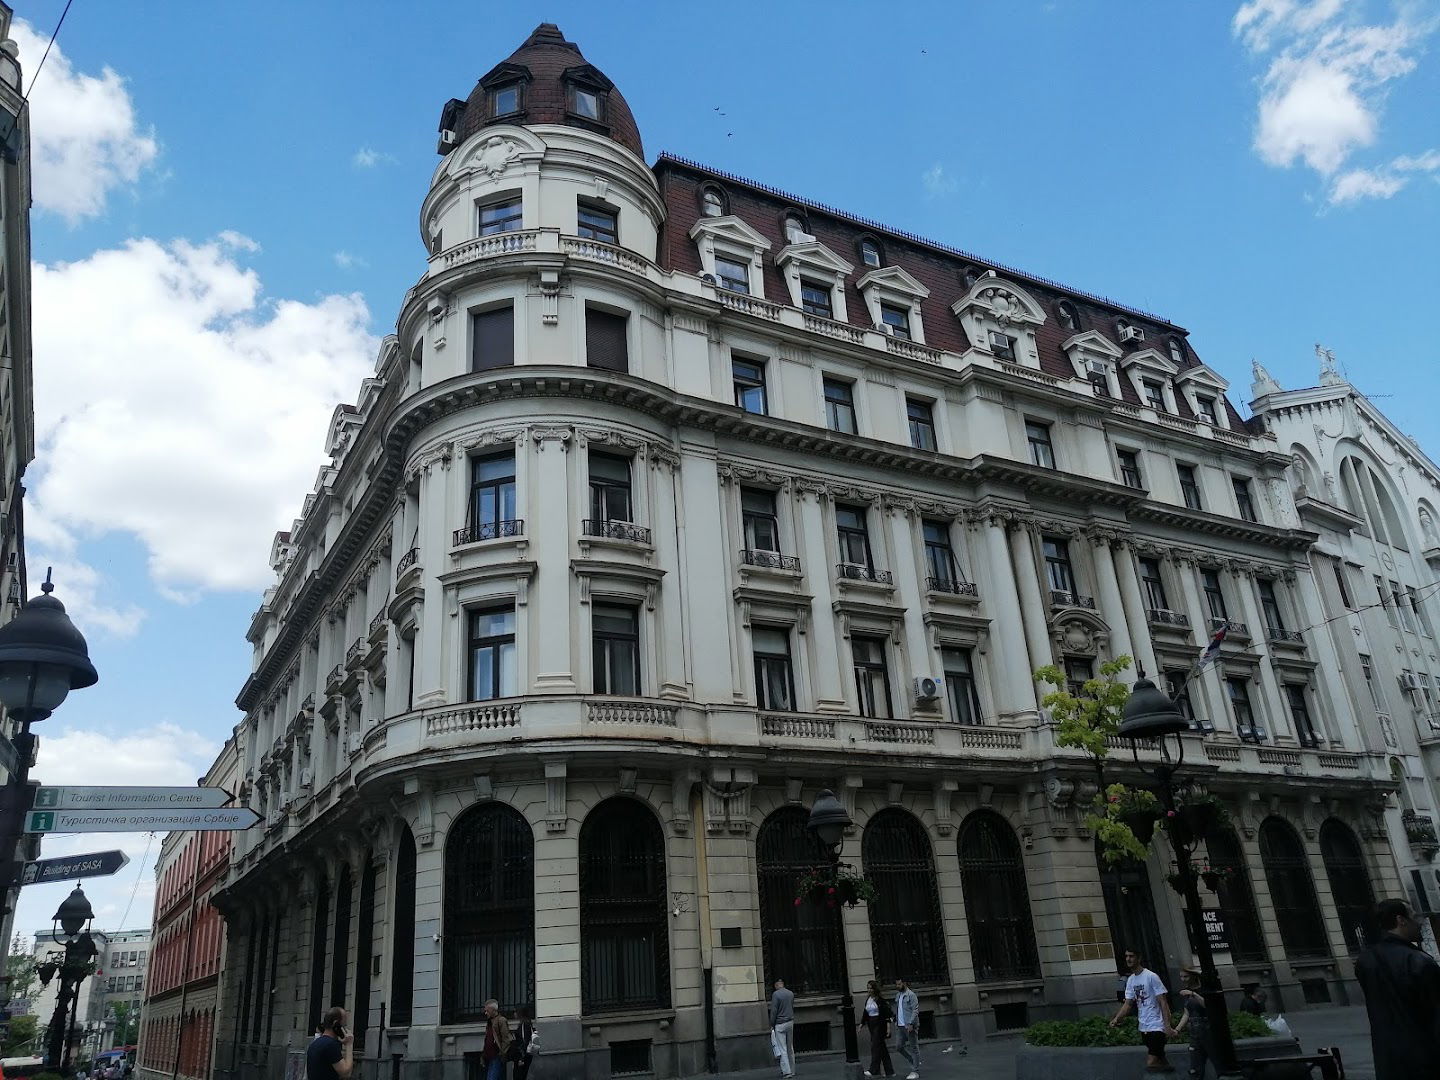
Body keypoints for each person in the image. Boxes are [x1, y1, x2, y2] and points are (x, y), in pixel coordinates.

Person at [1356, 898, 1440, 1080]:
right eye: (1414, 916)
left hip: (1387, 1059)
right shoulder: (1420, 962)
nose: (1418, 922)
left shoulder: (1365, 961)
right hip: (1425, 1060)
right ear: (1401, 920)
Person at [1109, 949, 1177, 1073]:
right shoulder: (1131, 980)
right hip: (1144, 1026)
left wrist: (1167, 1026)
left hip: (1157, 1025)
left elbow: (1163, 1002)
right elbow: (1128, 1004)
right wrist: (1117, 1018)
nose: (1128, 959)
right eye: (1126, 956)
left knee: (1151, 1064)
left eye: (1131, 956)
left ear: (1139, 958)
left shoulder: (1151, 976)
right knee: (1161, 1060)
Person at [1173, 969, 1213, 1080]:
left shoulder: (1202, 990)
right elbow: (1186, 1013)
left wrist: (1193, 994)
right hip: (1195, 1032)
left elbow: (1208, 1005)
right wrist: (1177, 1029)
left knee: (1217, 1061)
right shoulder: (1186, 992)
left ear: (1193, 977)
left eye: (1186, 976)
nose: (1183, 979)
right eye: (1181, 977)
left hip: (1208, 1029)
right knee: (1195, 1067)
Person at [858, 979, 895, 1078]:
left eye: (871, 988)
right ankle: (889, 1071)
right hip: (871, 1024)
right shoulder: (868, 1000)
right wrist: (861, 1024)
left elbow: (886, 1015)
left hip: (879, 1024)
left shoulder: (880, 1000)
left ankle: (873, 1070)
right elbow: (865, 1013)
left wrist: (888, 1028)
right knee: (882, 1048)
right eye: (868, 988)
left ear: (875, 989)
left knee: (875, 1047)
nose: (869, 990)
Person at [306, 1006, 353, 1080]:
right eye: (344, 1025)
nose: (344, 1029)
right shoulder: (330, 1045)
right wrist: (349, 1044)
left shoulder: (315, 1044)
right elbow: (346, 1073)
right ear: (336, 1024)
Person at [893, 976, 921, 1080]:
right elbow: (898, 1009)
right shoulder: (898, 995)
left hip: (909, 1026)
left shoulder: (911, 995)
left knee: (914, 1047)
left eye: (899, 984)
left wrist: (910, 1023)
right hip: (900, 1026)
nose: (897, 986)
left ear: (904, 983)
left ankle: (915, 1071)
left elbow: (915, 1010)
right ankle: (913, 1060)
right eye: (896, 984)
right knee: (899, 1047)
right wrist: (896, 1020)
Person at [769, 978, 795, 1078]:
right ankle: (792, 1070)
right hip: (790, 1022)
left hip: (780, 1024)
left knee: (782, 1048)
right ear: (783, 984)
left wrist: (772, 1023)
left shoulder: (776, 995)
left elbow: (774, 1011)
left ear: (776, 985)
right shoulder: (790, 993)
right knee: (790, 1047)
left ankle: (786, 1071)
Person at [482, 998, 513, 1080]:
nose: (485, 1013)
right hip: (489, 1056)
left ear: (493, 1010)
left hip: (497, 1055)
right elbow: (487, 1039)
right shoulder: (489, 1022)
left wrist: (502, 1053)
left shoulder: (501, 1020)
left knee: (492, 1077)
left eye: (487, 1011)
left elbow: (506, 1038)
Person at [510, 1006, 537, 1080]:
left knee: (519, 1076)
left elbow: (524, 1041)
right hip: (526, 1054)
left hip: (523, 1055)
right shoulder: (527, 1023)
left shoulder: (524, 1025)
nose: (514, 1014)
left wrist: (521, 1058)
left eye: (515, 1012)